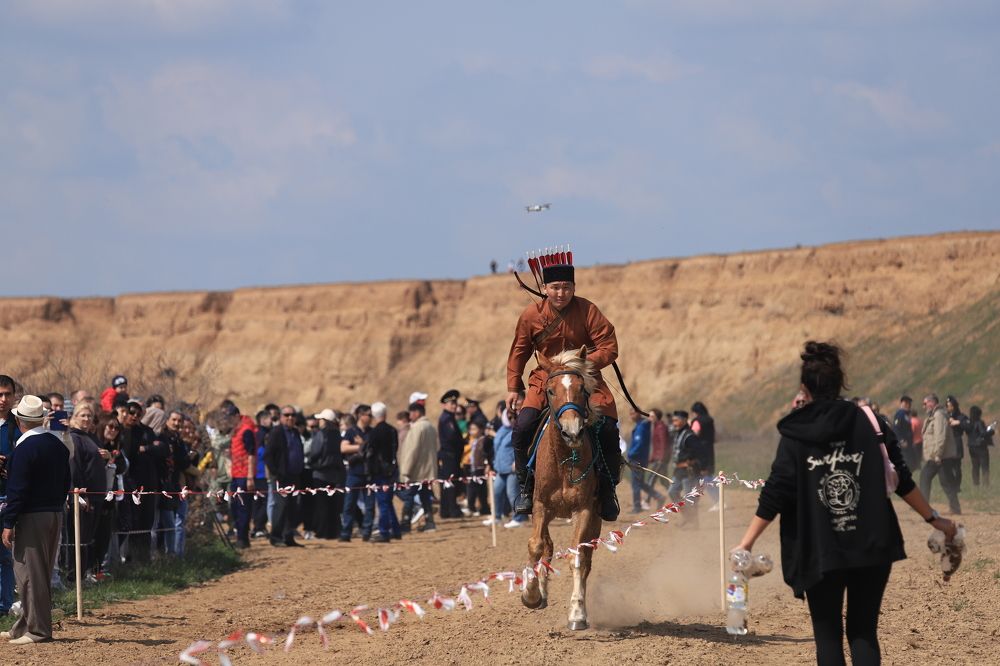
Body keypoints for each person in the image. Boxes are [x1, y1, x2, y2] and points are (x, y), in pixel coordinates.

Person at [734, 341, 958, 666]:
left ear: (804, 388)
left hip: (820, 548)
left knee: (827, 638)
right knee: (863, 632)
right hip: (870, 541)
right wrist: (934, 519)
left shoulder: (796, 432)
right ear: (841, 383)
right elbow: (901, 479)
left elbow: (776, 493)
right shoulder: (871, 421)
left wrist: (747, 543)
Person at [505, 254, 623, 521]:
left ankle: (606, 490)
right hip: (543, 381)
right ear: (546, 289)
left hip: (584, 378)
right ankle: (526, 488)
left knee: (606, 427)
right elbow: (518, 353)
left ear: (574, 288)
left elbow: (609, 347)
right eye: (555, 287)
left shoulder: (588, 310)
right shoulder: (530, 316)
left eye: (567, 287)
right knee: (522, 428)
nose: (561, 293)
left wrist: (578, 364)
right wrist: (514, 386)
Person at [0, 395, 71, 644]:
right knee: (37, 571)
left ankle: (39, 630)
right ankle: (24, 626)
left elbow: (17, 491)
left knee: (29, 573)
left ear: (19, 420)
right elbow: (65, 482)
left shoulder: (24, 448)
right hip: (53, 513)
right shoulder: (57, 445)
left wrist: (8, 523)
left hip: (31, 516)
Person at [67, 403, 108, 577]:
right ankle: (74, 575)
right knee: (78, 538)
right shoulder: (74, 438)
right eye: (82, 415)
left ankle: (84, 573)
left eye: (89, 416)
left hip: (97, 495)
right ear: (74, 417)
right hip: (84, 496)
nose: (86, 419)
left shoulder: (90, 436)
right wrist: (82, 495)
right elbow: (75, 468)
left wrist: (108, 456)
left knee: (88, 538)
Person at [263, 406, 305, 547]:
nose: (290, 417)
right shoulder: (277, 432)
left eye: (292, 415)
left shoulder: (295, 432)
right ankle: (275, 537)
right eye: (286, 415)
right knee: (280, 506)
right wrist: (276, 473)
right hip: (281, 477)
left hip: (294, 476)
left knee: (292, 507)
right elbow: (268, 455)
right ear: (281, 417)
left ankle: (288, 537)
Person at [398, 402, 438, 533]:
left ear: (417, 412)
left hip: (417, 471)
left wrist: (406, 470)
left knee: (409, 497)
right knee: (425, 496)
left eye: (411, 413)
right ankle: (430, 522)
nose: (410, 416)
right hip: (428, 470)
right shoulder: (431, 427)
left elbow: (412, 450)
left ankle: (405, 524)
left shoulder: (417, 428)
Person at [920, 394, 961, 515]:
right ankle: (955, 507)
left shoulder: (939, 415)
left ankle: (923, 506)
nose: (923, 406)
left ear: (932, 403)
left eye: (925, 403)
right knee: (945, 481)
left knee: (925, 477)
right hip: (938, 455)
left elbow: (940, 436)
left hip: (939, 456)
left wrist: (938, 454)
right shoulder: (934, 415)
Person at [0, 375, 20, 617]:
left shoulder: (18, 425)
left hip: (9, 497)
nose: (3, 399)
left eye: (7, 394)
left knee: (5, 555)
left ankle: (4, 606)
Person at [339, 405, 375, 542]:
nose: (370, 418)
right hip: (354, 473)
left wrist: (363, 445)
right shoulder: (351, 431)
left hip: (369, 473)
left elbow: (374, 449)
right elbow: (343, 448)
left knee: (370, 505)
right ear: (360, 415)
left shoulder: (372, 432)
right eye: (368, 415)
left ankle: (367, 532)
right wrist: (362, 447)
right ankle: (346, 533)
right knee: (349, 505)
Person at [307, 409, 345, 539]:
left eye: (321, 419)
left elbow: (315, 452)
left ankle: (322, 532)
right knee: (333, 504)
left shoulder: (321, 434)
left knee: (321, 505)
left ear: (325, 421)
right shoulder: (338, 435)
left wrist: (312, 461)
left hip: (320, 473)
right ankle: (334, 532)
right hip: (335, 474)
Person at [368, 402, 401, 543]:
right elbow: (395, 449)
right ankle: (396, 529)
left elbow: (371, 453)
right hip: (392, 469)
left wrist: (369, 472)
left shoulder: (375, 432)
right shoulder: (392, 430)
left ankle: (384, 531)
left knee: (383, 502)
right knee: (387, 501)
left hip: (380, 471)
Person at [224, 404, 257, 549]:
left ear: (237, 416)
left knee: (243, 507)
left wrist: (250, 477)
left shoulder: (246, 431)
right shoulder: (235, 431)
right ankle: (241, 537)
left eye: (230, 417)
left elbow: (251, 454)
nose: (228, 421)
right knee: (235, 507)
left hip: (244, 475)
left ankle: (243, 538)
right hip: (236, 474)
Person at [626, 407, 664, 512]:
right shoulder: (641, 425)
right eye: (630, 413)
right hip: (640, 458)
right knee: (640, 483)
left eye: (633, 413)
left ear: (639, 414)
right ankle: (658, 497)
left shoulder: (642, 426)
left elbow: (639, 443)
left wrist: (630, 454)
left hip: (637, 458)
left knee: (636, 483)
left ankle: (637, 506)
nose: (631, 415)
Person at [437, 390, 463, 519]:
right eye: (451, 403)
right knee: (450, 483)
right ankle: (451, 510)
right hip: (449, 456)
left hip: (451, 456)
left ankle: (447, 509)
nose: (454, 406)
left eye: (455, 403)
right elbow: (451, 437)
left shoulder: (449, 417)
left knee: (449, 483)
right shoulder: (447, 418)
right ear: (445, 405)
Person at [945, 396, 970, 492]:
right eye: (947, 406)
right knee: (948, 466)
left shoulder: (961, 416)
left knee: (957, 466)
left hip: (956, 441)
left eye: (950, 406)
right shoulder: (945, 416)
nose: (949, 408)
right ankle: (950, 486)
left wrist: (958, 422)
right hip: (947, 443)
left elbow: (968, 426)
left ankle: (957, 486)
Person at [892, 396, 919, 472]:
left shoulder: (906, 414)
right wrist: (901, 440)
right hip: (904, 443)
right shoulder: (900, 414)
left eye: (910, 403)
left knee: (912, 462)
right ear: (903, 403)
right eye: (907, 403)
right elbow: (896, 428)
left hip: (908, 443)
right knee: (907, 462)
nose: (909, 405)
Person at [967, 406, 991, 487]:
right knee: (985, 466)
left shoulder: (968, 423)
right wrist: (990, 431)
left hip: (971, 447)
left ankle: (976, 484)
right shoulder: (979, 422)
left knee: (975, 467)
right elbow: (983, 433)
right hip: (981, 447)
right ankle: (985, 484)